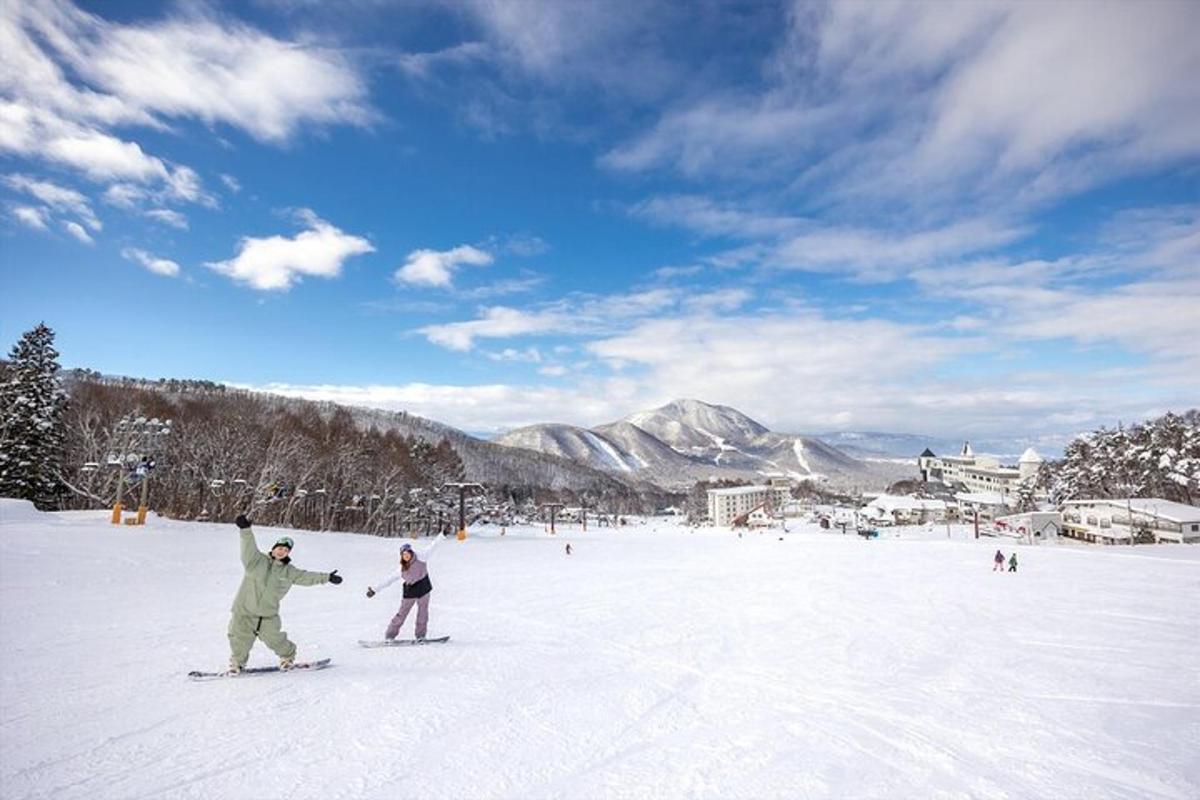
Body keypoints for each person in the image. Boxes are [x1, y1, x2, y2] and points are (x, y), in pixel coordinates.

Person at [227, 514, 342, 674]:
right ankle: (237, 664)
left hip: (268, 614)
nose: (282, 552)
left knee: (275, 639)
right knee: (239, 639)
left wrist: (327, 577)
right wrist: (245, 529)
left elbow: (306, 577)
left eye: (286, 550)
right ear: (273, 549)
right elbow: (248, 546)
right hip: (244, 611)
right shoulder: (255, 561)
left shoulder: (289, 571)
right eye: (280, 548)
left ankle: (287, 658)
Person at [367, 537, 442, 641]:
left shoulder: (421, 556)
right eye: (404, 555)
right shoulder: (401, 569)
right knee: (401, 614)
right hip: (410, 592)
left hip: (424, 589)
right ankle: (390, 636)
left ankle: (421, 636)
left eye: (408, 553)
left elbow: (434, 545)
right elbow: (388, 580)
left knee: (423, 614)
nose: (406, 556)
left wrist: (443, 534)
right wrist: (374, 590)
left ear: (411, 553)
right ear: (402, 556)